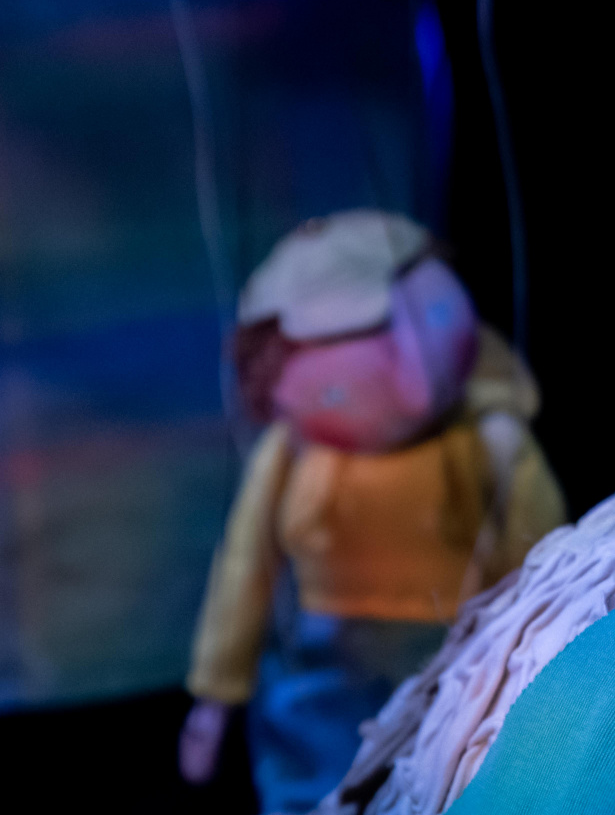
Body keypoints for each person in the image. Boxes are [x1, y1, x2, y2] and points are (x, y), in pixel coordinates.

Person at [178, 210, 565, 813]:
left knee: (466, 778)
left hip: (467, 655)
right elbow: (245, 567)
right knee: (320, 773)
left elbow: (547, 553)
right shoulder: (291, 452)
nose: (414, 365)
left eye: (435, 316)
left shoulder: (488, 437)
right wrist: (216, 694)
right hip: (330, 663)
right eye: (371, 336)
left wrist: (562, 653)